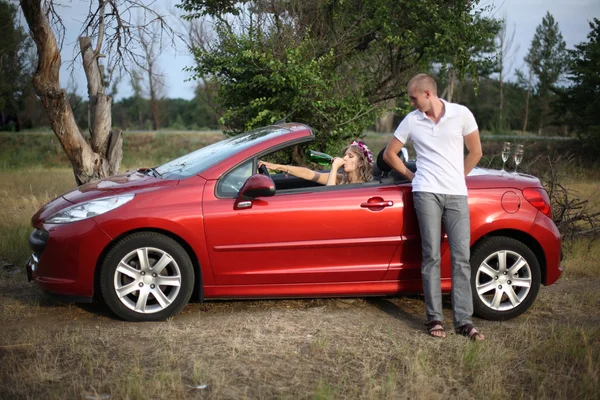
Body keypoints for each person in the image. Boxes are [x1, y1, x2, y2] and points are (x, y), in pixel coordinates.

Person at [383, 73, 484, 341]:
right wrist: (411, 176)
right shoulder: (411, 121)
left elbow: (476, 152)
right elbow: (389, 154)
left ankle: (464, 321)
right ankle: (434, 318)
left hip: (456, 195)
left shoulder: (461, 114)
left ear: (428, 94)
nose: (412, 104)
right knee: (431, 256)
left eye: (414, 98)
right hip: (425, 192)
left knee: (461, 257)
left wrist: (457, 176)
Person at [259, 140, 374, 186]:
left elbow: (331, 197)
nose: (344, 158)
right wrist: (277, 166)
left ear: (360, 163)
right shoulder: (341, 179)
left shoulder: (362, 186)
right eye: (345, 154)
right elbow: (308, 174)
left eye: (350, 156)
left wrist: (333, 168)